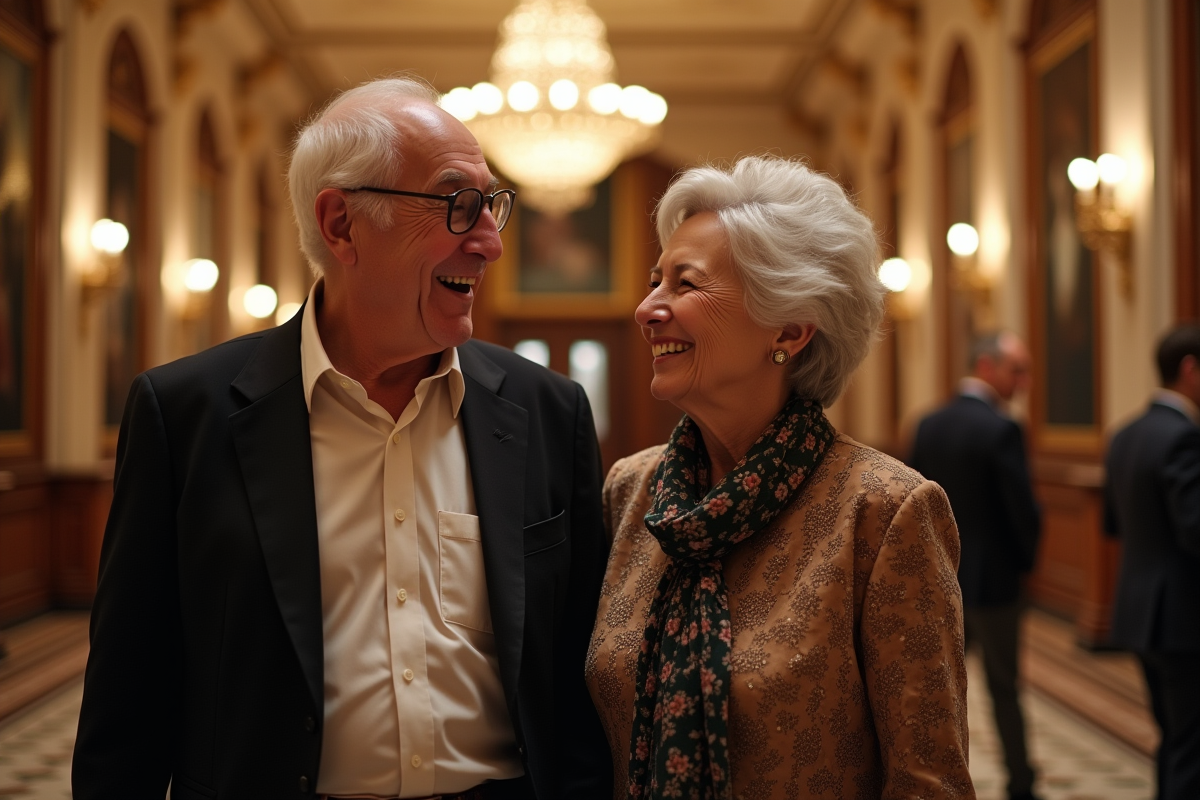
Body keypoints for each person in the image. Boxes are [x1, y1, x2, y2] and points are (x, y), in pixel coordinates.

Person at [72, 76, 612, 800]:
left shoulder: (550, 412)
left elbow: (578, 687)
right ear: (342, 224)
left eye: (493, 208)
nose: (490, 244)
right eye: (458, 205)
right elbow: (127, 702)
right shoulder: (185, 414)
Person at [585, 156, 974, 799]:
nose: (647, 309)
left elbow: (928, 780)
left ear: (789, 331)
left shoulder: (883, 510)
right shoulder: (631, 492)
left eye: (685, 284)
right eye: (656, 281)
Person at [909, 331, 1041, 800]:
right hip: (996, 583)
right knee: (1005, 688)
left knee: (938, 691)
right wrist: (1027, 567)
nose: (1022, 382)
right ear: (986, 366)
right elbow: (1021, 512)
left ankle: (933, 782)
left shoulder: (928, 424)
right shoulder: (1003, 428)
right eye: (1016, 371)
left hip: (940, 578)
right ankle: (1021, 783)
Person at [1104, 323, 1200, 800]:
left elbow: (1113, 523)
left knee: (1175, 740)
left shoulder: (1125, 434)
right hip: (1183, 618)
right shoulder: (1184, 437)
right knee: (1191, 747)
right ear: (1190, 370)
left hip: (1140, 610)